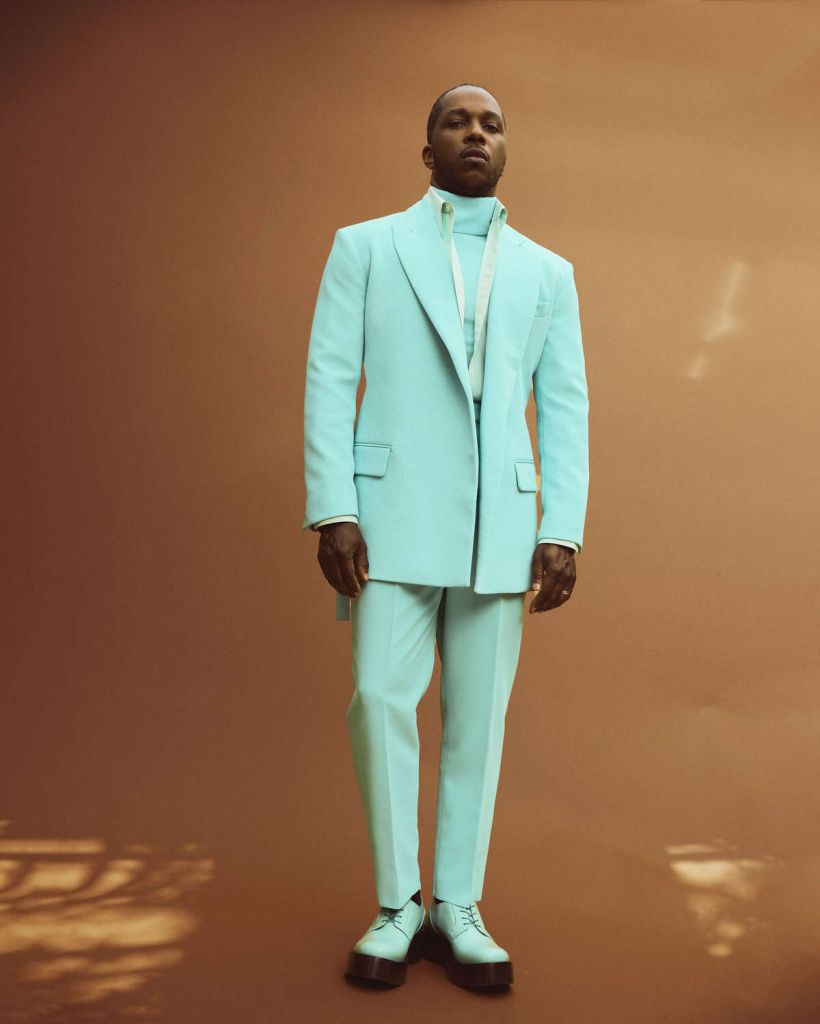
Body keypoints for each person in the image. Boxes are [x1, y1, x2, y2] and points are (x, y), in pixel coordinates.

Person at [302, 83, 589, 989]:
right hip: (389, 524)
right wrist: (333, 507)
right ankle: (398, 905)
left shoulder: (550, 272)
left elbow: (565, 408)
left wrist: (562, 526)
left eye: (492, 124)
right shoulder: (366, 247)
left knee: (479, 724)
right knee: (381, 703)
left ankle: (457, 905)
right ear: (427, 148)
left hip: (501, 528)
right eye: (456, 122)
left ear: (506, 151)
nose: (475, 133)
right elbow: (327, 377)